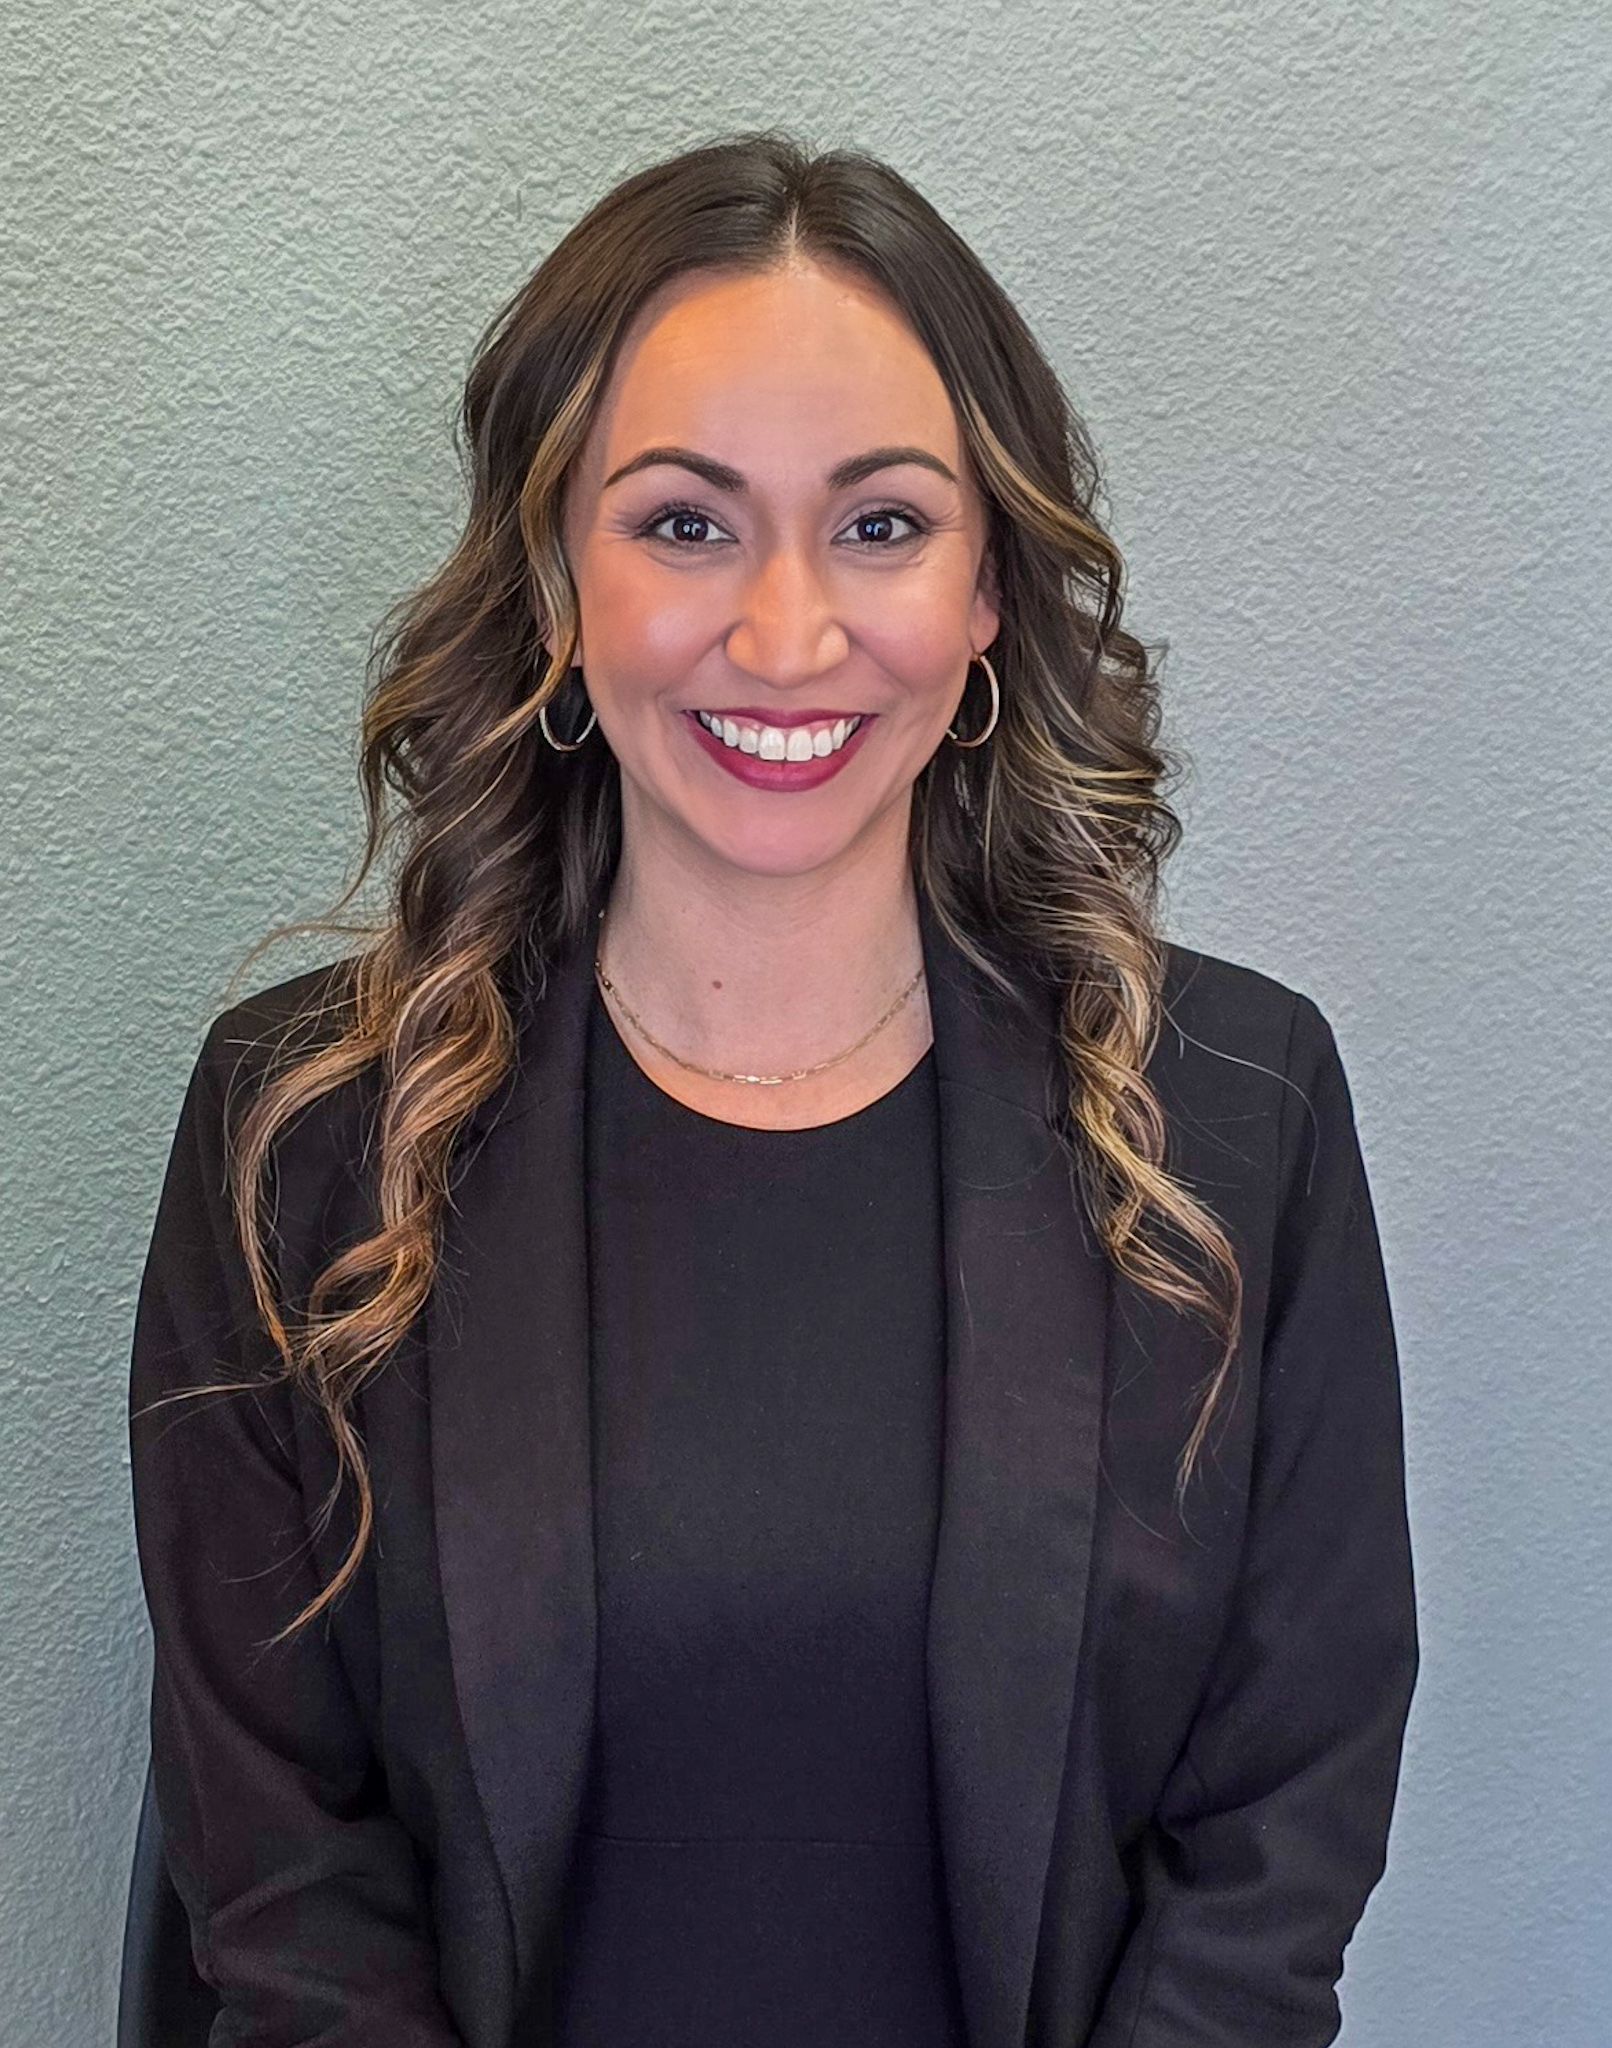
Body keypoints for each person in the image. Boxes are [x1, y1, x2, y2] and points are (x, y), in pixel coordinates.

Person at [128, 129, 1418, 2048]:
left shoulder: (1243, 1116)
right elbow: (283, 1878)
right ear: (559, 580)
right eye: (685, 522)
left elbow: (1281, 1831)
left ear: (989, 594)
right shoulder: (301, 1134)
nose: (788, 632)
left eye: (884, 525)